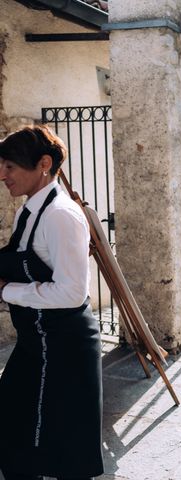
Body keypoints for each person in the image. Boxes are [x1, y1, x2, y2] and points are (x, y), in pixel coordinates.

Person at [0, 126, 103, 479]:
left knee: (66, 450)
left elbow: (72, 292)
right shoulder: (27, 211)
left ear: (43, 164)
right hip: (36, 341)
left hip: (65, 344)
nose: (2, 175)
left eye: (10, 166)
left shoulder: (61, 215)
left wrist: (5, 291)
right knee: (13, 424)